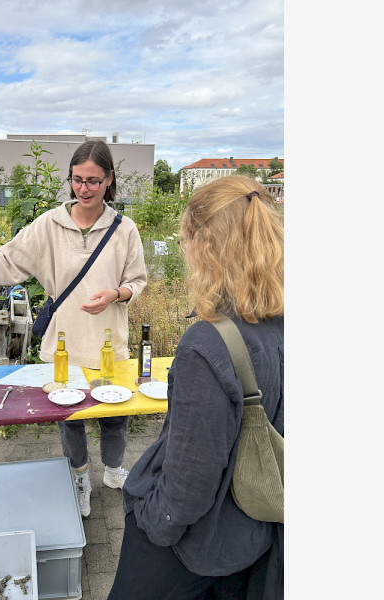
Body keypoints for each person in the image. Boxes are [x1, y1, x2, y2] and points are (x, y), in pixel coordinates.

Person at [0, 140, 148, 517]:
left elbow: (139, 281)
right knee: (71, 421)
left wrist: (116, 293)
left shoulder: (124, 229)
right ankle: (80, 480)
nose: (83, 188)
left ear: (109, 180)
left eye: (93, 181)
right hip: (63, 345)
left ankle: (114, 472)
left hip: (108, 344)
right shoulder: (49, 224)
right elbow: (7, 260)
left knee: (115, 416)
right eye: (77, 179)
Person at [107, 175, 284, 600]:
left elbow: (188, 485)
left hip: (193, 548)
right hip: (253, 536)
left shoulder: (206, 345)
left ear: (205, 247)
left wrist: (152, 519)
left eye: (186, 241)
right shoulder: (280, 324)